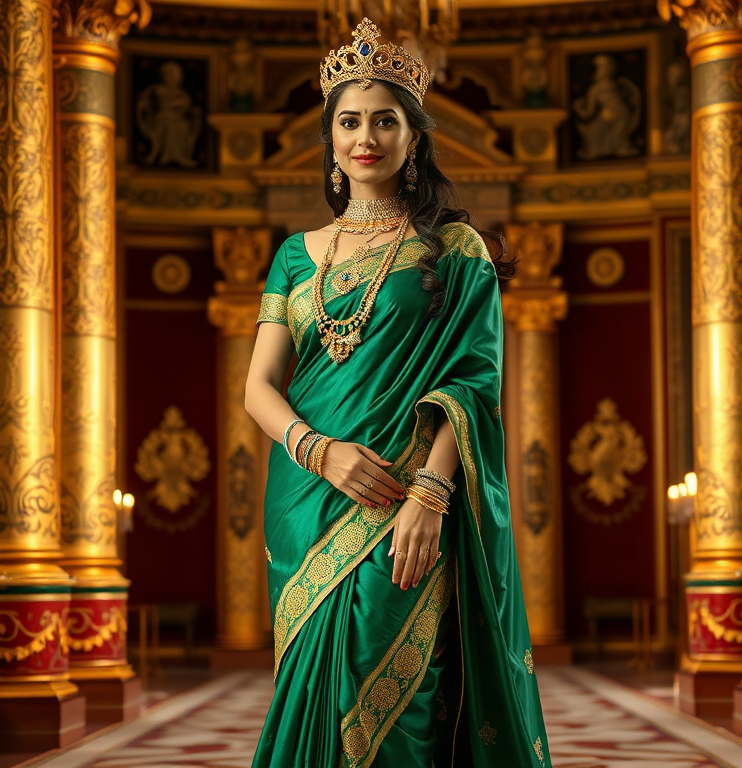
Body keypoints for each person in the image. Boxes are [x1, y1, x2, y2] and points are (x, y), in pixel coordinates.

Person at [245, 18, 551, 768]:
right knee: (315, 680)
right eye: (349, 120)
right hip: (308, 496)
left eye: (386, 120)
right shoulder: (296, 255)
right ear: (331, 137)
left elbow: (473, 383)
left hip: (408, 494)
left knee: (396, 692)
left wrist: (429, 494)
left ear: (414, 137)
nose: (366, 135)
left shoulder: (456, 250)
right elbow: (257, 387)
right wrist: (318, 452)